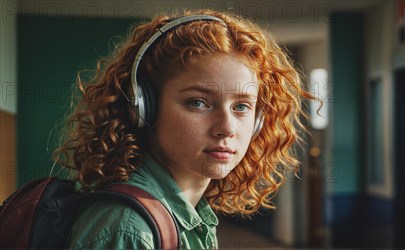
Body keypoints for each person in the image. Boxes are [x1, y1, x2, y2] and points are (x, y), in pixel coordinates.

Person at [54, 9, 316, 249]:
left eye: (242, 107)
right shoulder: (128, 228)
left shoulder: (186, 211)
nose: (226, 128)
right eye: (198, 102)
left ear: (258, 120)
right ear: (144, 108)